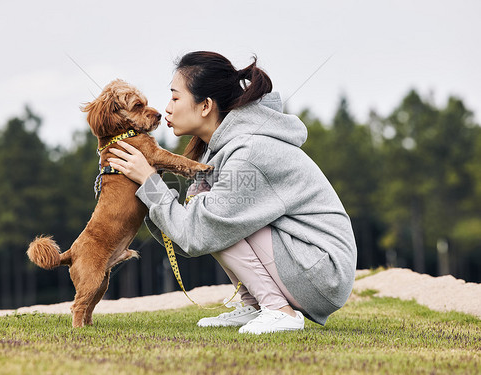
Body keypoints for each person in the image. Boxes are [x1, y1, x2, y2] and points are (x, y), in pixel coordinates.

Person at [106, 51, 357, 334]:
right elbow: (187, 235)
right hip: (306, 263)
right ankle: (256, 305)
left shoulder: (249, 152)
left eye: (176, 98)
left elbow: (199, 232)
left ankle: (278, 310)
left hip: (322, 274)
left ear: (205, 106)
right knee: (211, 214)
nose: (167, 108)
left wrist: (150, 181)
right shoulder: (220, 149)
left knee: (214, 216)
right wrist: (141, 184)